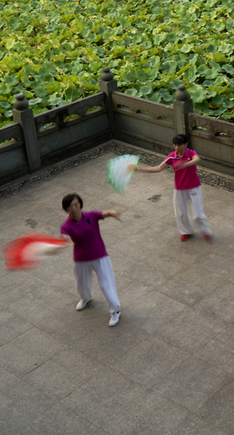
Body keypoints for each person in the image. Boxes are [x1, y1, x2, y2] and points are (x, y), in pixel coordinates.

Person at [59, 193, 122, 327]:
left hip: (100, 255)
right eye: (70, 206)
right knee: (81, 283)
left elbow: (104, 213)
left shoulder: (91, 215)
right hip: (81, 258)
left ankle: (115, 311)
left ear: (80, 204)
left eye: (76, 204)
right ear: (66, 209)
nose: (74, 208)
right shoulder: (66, 225)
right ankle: (85, 298)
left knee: (106, 284)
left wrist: (112, 213)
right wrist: (62, 242)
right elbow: (64, 237)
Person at [135, 134, 212, 242]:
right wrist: (141, 169)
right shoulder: (172, 156)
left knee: (197, 215)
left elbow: (197, 159)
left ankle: (205, 231)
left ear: (186, 144)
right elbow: (158, 168)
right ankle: (186, 231)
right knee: (180, 213)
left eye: (180, 145)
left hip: (194, 187)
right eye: (175, 145)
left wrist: (184, 164)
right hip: (179, 188)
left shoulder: (191, 153)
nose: (177, 147)